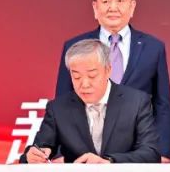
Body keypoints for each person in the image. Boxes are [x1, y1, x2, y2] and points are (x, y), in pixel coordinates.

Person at [55, 0, 170, 161]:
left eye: (120, 1)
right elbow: (62, 102)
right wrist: (59, 152)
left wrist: (163, 152)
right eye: (105, 1)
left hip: (137, 150)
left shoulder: (153, 47)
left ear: (132, 7)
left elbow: (162, 104)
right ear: (95, 8)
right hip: (85, 150)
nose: (113, 7)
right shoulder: (76, 46)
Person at [25, 39, 160, 164]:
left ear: (108, 70)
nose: (84, 84)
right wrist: (32, 156)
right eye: (76, 76)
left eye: (92, 75)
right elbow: (38, 149)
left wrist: (109, 161)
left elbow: (151, 153)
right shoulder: (58, 108)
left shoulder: (136, 102)